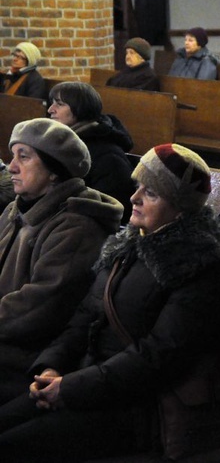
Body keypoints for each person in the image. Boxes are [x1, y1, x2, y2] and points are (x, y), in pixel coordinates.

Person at [0, 143, 220, 461]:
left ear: (180, 208)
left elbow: (157, 356)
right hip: (84, 382)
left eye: (150, 193)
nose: (134, 197)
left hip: (134, 407)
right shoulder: (128, 244)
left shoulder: (198, 264)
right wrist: (52, 366)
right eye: (138, 186)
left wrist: (70, 388)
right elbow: (83, 316)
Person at [0, 118, 123, 405]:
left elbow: (39, 308)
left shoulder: (76, 226)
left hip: (30, 356)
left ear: (54, 171)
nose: (11, 166)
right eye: (12, 155)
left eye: (24, 157)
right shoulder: (14, 210)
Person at [47, 81, 135, 221]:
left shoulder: (108, 157)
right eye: (52, 103)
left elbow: (110, 212)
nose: (51, 109)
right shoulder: (60, 145)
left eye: (60, 104)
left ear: (81, 109)